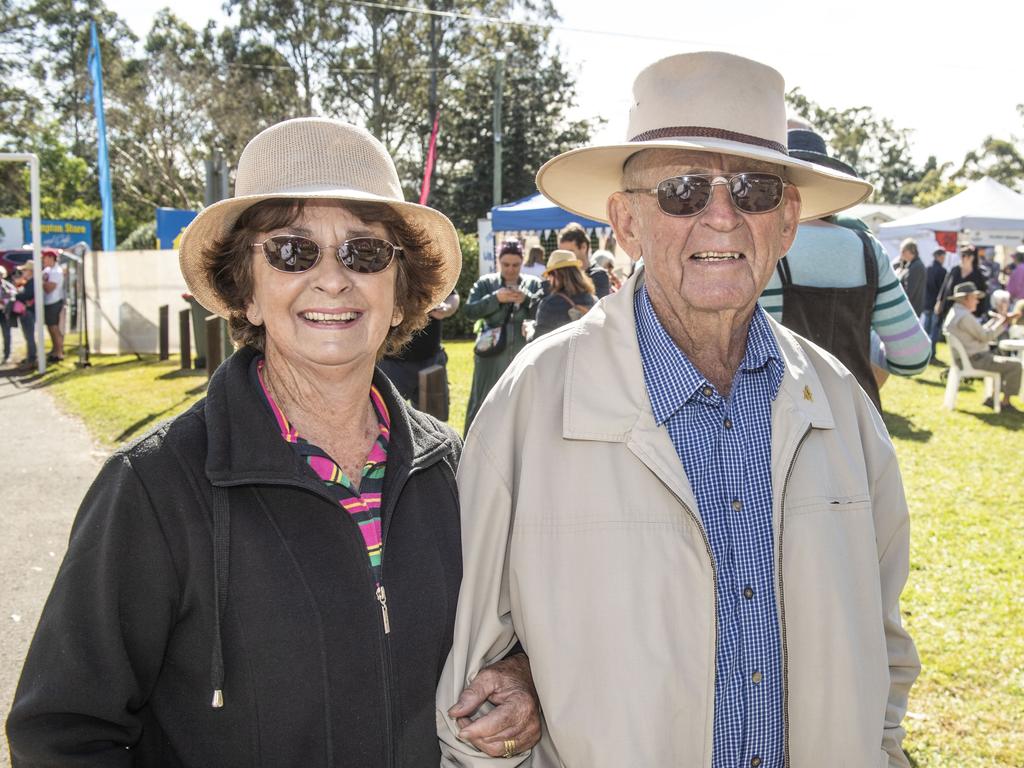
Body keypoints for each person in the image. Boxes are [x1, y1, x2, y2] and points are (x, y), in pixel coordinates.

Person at [6, 117, 541, 767]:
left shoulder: (457, 472)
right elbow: (63, 731)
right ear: (246, 292)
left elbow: (514, 630)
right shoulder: (152, 487)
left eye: (364, 252)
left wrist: (519, 675)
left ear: (400, 295)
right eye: (293, 250)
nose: (333, 279)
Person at [439, 52, 919, 768]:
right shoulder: (531, 403)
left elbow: (881, 648)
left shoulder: (840, 403)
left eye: (754, 190)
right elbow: (476, 702)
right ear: (625, 222)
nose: (721, 217)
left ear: (786, 222)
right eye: (683, 191)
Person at [759, 128, 929, 412]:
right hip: (858, 430)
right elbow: (913, 356)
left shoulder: (763, 249)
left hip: (784, 427)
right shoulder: (868, 249)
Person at [462, 239, 543, 433]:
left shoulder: (533, 284)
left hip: (523, 355)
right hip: (491, 355)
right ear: (499, 261)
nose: (510, 269)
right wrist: (495, 298)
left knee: (520, 405)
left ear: (522, 262)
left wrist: (526, 300)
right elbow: (469, 311)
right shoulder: (486, 283)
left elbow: (544, 312)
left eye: (515, 265)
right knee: (482, 400)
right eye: (506, 264)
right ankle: (470, 447)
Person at [379, 289, 460, 420]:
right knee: (386, 421)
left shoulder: (432, 270)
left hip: (431, 361)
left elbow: (452, 295)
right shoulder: (384, 269)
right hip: (389, 363)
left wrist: (447, 308)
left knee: (435, 425)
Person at [943, 281, 1022, 411]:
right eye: (975, 298)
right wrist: (1004, 322)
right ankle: (1005, 402)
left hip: (969, 358)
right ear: (966, 298)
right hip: (976, 360)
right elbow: (986, 336)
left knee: (1003, 360)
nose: (977, 301)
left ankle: (993, 397)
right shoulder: (964, 316)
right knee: (1015, 365)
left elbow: (980, 332)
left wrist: (996, 321)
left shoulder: (957, 313)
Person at [533, 249, 596, 338]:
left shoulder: (549, 304)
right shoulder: (594, 300)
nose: (548, 280)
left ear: (555, 274)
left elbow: (538, 341)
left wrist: (529, 331)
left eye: (549, 275)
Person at [937, 244, 987, 324]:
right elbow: (945, 286)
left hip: (970, 312)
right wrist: (939, 301)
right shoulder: (955, 270)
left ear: (972, 257)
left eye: (966, 256)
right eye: (962, 256)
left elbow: (982, 292)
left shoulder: (978, 274)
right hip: (952, 308)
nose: (964, 258)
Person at [558, 222, 610, 298]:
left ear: (583, 247)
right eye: (562, 253)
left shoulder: (599, 275)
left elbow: (595, 306)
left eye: (570, 252)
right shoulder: (562, 275)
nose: (566, 257)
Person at [922, 248, 948, 362]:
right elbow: (943, 291)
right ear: (939, 256)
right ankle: (931, 355)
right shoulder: (942, 271)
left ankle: (923, 355)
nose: (944, 259)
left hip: (926, 304)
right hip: (935, 305)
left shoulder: (927, 269)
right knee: (934, 332)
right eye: (943, 257)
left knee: (925, 332)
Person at [41, 250, 66, 362]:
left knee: (55, 328)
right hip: (47, 302)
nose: (42, 260)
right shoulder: (47, 270)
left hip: (54, 302)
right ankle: (54, 349)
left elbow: (49, 288)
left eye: (44, 257)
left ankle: (59, 352)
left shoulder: (56, 271)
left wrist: (40, 282)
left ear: (51, 258)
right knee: (50, 328)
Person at [893, 238, 926, 317]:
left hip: (910, 310)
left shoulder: (916, 267)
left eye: (902, 251)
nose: (901, 254)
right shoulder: (913, 265)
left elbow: (909, 292)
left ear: (909, 251)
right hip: (910, 309)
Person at [13, 262, 36, 366]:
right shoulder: (28, 282)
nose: (23, 272)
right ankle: (30, 357)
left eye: (24, 270)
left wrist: (17, 295)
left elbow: (27, 295)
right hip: (26, 311)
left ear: (30, 271)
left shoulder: (33, 282)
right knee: (27, 336)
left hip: (29, 311)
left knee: (29, 335)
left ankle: (32, 359)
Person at [0, 265, 15, 364]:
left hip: (4, 312)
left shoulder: (8, 286)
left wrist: (4, 301)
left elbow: (13, 296)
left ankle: (7, 355)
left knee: (6, 334)